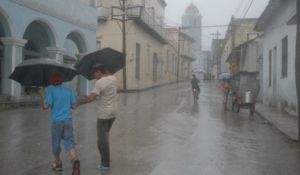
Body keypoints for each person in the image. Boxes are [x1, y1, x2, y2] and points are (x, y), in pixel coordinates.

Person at [75, 64, 118, 171]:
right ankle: (106, 158)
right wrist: (90, 95)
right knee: (104, 137)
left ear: (99, 71)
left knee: (102, 141)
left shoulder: (100, 82)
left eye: (95, 73)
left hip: (104, 115)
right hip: (113, 113)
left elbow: (91, 98)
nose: (94, 76)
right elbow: (101, 93)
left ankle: (105, 164)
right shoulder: (113, 78)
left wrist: (78, 103)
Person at [43, 73, 80, 174]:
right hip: (68, 121)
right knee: (69, 142)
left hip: (56, 122)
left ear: (52, 82)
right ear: (61, 82)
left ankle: (58, 164)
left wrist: (44, 98)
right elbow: (74, 106)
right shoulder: (68, 91)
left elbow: (46, 106)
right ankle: (75, 160)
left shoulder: (51, 91)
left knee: (56, 143)